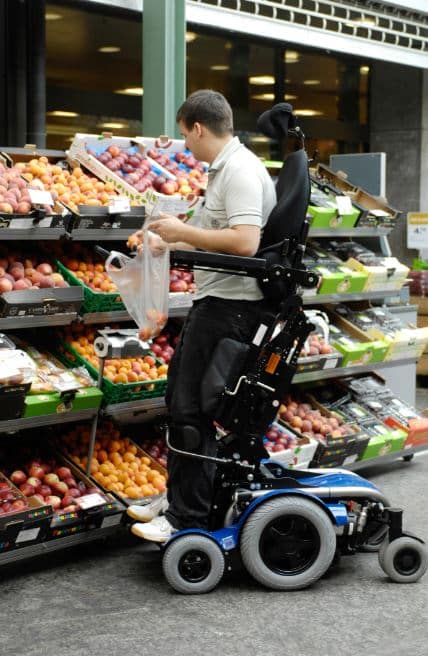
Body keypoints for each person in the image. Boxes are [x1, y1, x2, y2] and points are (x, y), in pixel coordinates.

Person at [127, 89, 276, 542]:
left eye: (185, 136)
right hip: (217, 304)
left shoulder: (242, 172)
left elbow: (245, 241)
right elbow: (214, 235)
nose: (185, 146)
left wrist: (182, 231)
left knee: (191, 409)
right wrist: (168, 242)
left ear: (197, 127)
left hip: (231, 309)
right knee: (182, 400)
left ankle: (187, 518)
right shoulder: (226, 169)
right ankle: (181, 499)